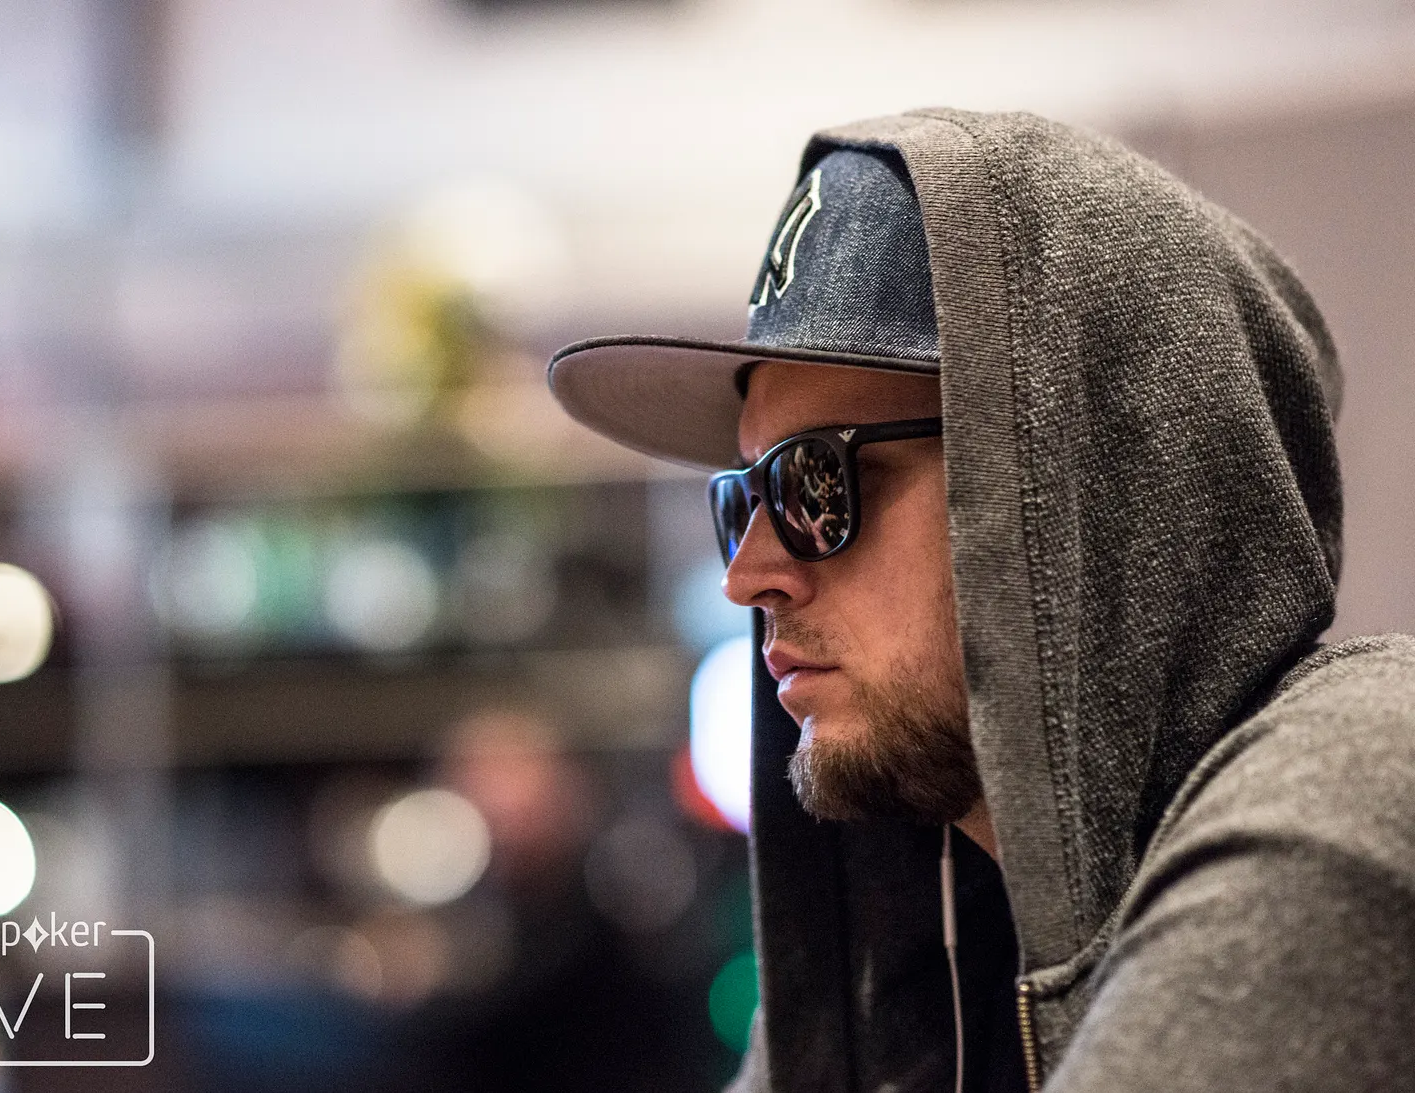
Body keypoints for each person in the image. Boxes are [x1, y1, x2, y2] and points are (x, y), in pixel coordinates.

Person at [545, 109, 1415, 1092]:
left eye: (816, 482)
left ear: (1087, 478)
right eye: (743, 498)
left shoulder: (1353, 793)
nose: (747, 577)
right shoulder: (934, 897)